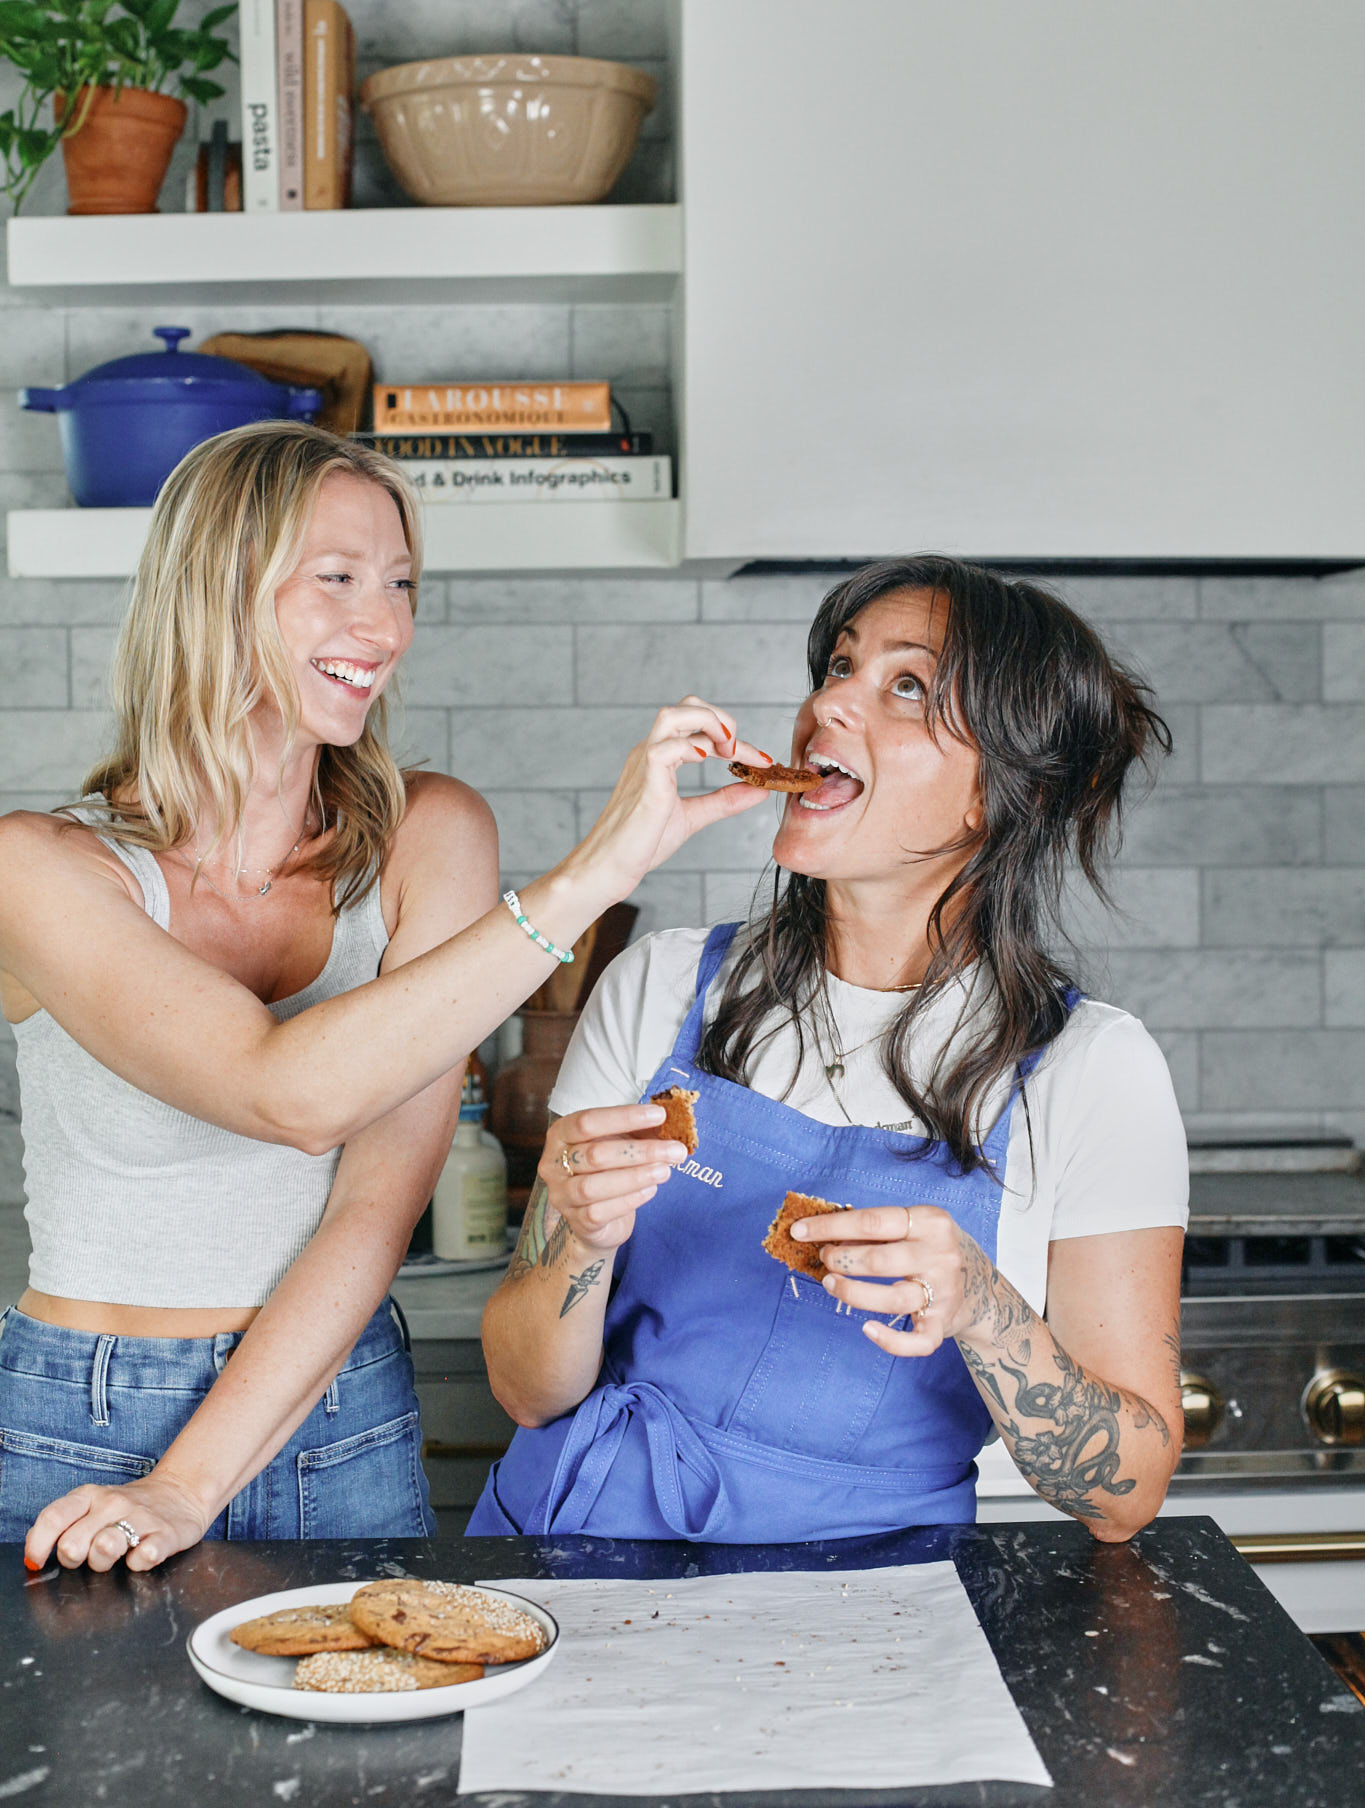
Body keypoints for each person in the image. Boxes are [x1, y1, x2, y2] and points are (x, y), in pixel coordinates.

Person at [0, 420, 766, 1572]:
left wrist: (188, 1485)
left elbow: (373, 1206)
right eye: (339, 578)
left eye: (401, 583)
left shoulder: (429, 838)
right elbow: (287, 1093)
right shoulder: (39, 866)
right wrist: (593, 872)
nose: (386, 625)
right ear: (216, 589)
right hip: (81, 1414)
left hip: (337, 1403)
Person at [476, 557, 1189, 1545]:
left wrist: (984, 1308)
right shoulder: (661, 985)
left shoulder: (1091, 1069)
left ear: (996, 795)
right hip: (576, 1550)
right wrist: (583, 1244)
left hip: (871, 1605)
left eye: (908, 686)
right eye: (841, 666)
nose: (828, 704)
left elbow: (1124, 1497)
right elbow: (524, 1388)